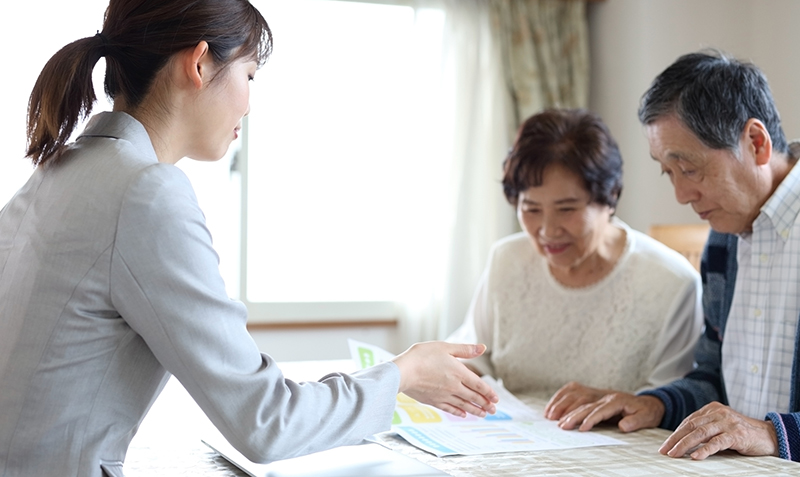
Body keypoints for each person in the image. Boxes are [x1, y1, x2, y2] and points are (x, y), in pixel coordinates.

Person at [0, 1, 499, 475]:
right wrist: (405, 374)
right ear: (198, 63)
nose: (249, 104)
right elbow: (266, 421)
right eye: (250, 75)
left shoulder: (55, 172)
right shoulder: (146, 192)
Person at [556, 50, 800, 463]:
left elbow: (757, 430)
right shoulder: (723, 243)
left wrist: (775, 434)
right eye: (668, 172)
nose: (682, 196)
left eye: (689, 169)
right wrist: (656, 405)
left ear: (755, 143)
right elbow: (712, 379)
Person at [447, 108, 703, 417]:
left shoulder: (671, 282)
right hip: (510, 441)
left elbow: (668, 402)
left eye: (566, 209)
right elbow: (472, 357)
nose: (547, 230)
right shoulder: (507, 259)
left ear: (609, 197)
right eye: (531, 209)